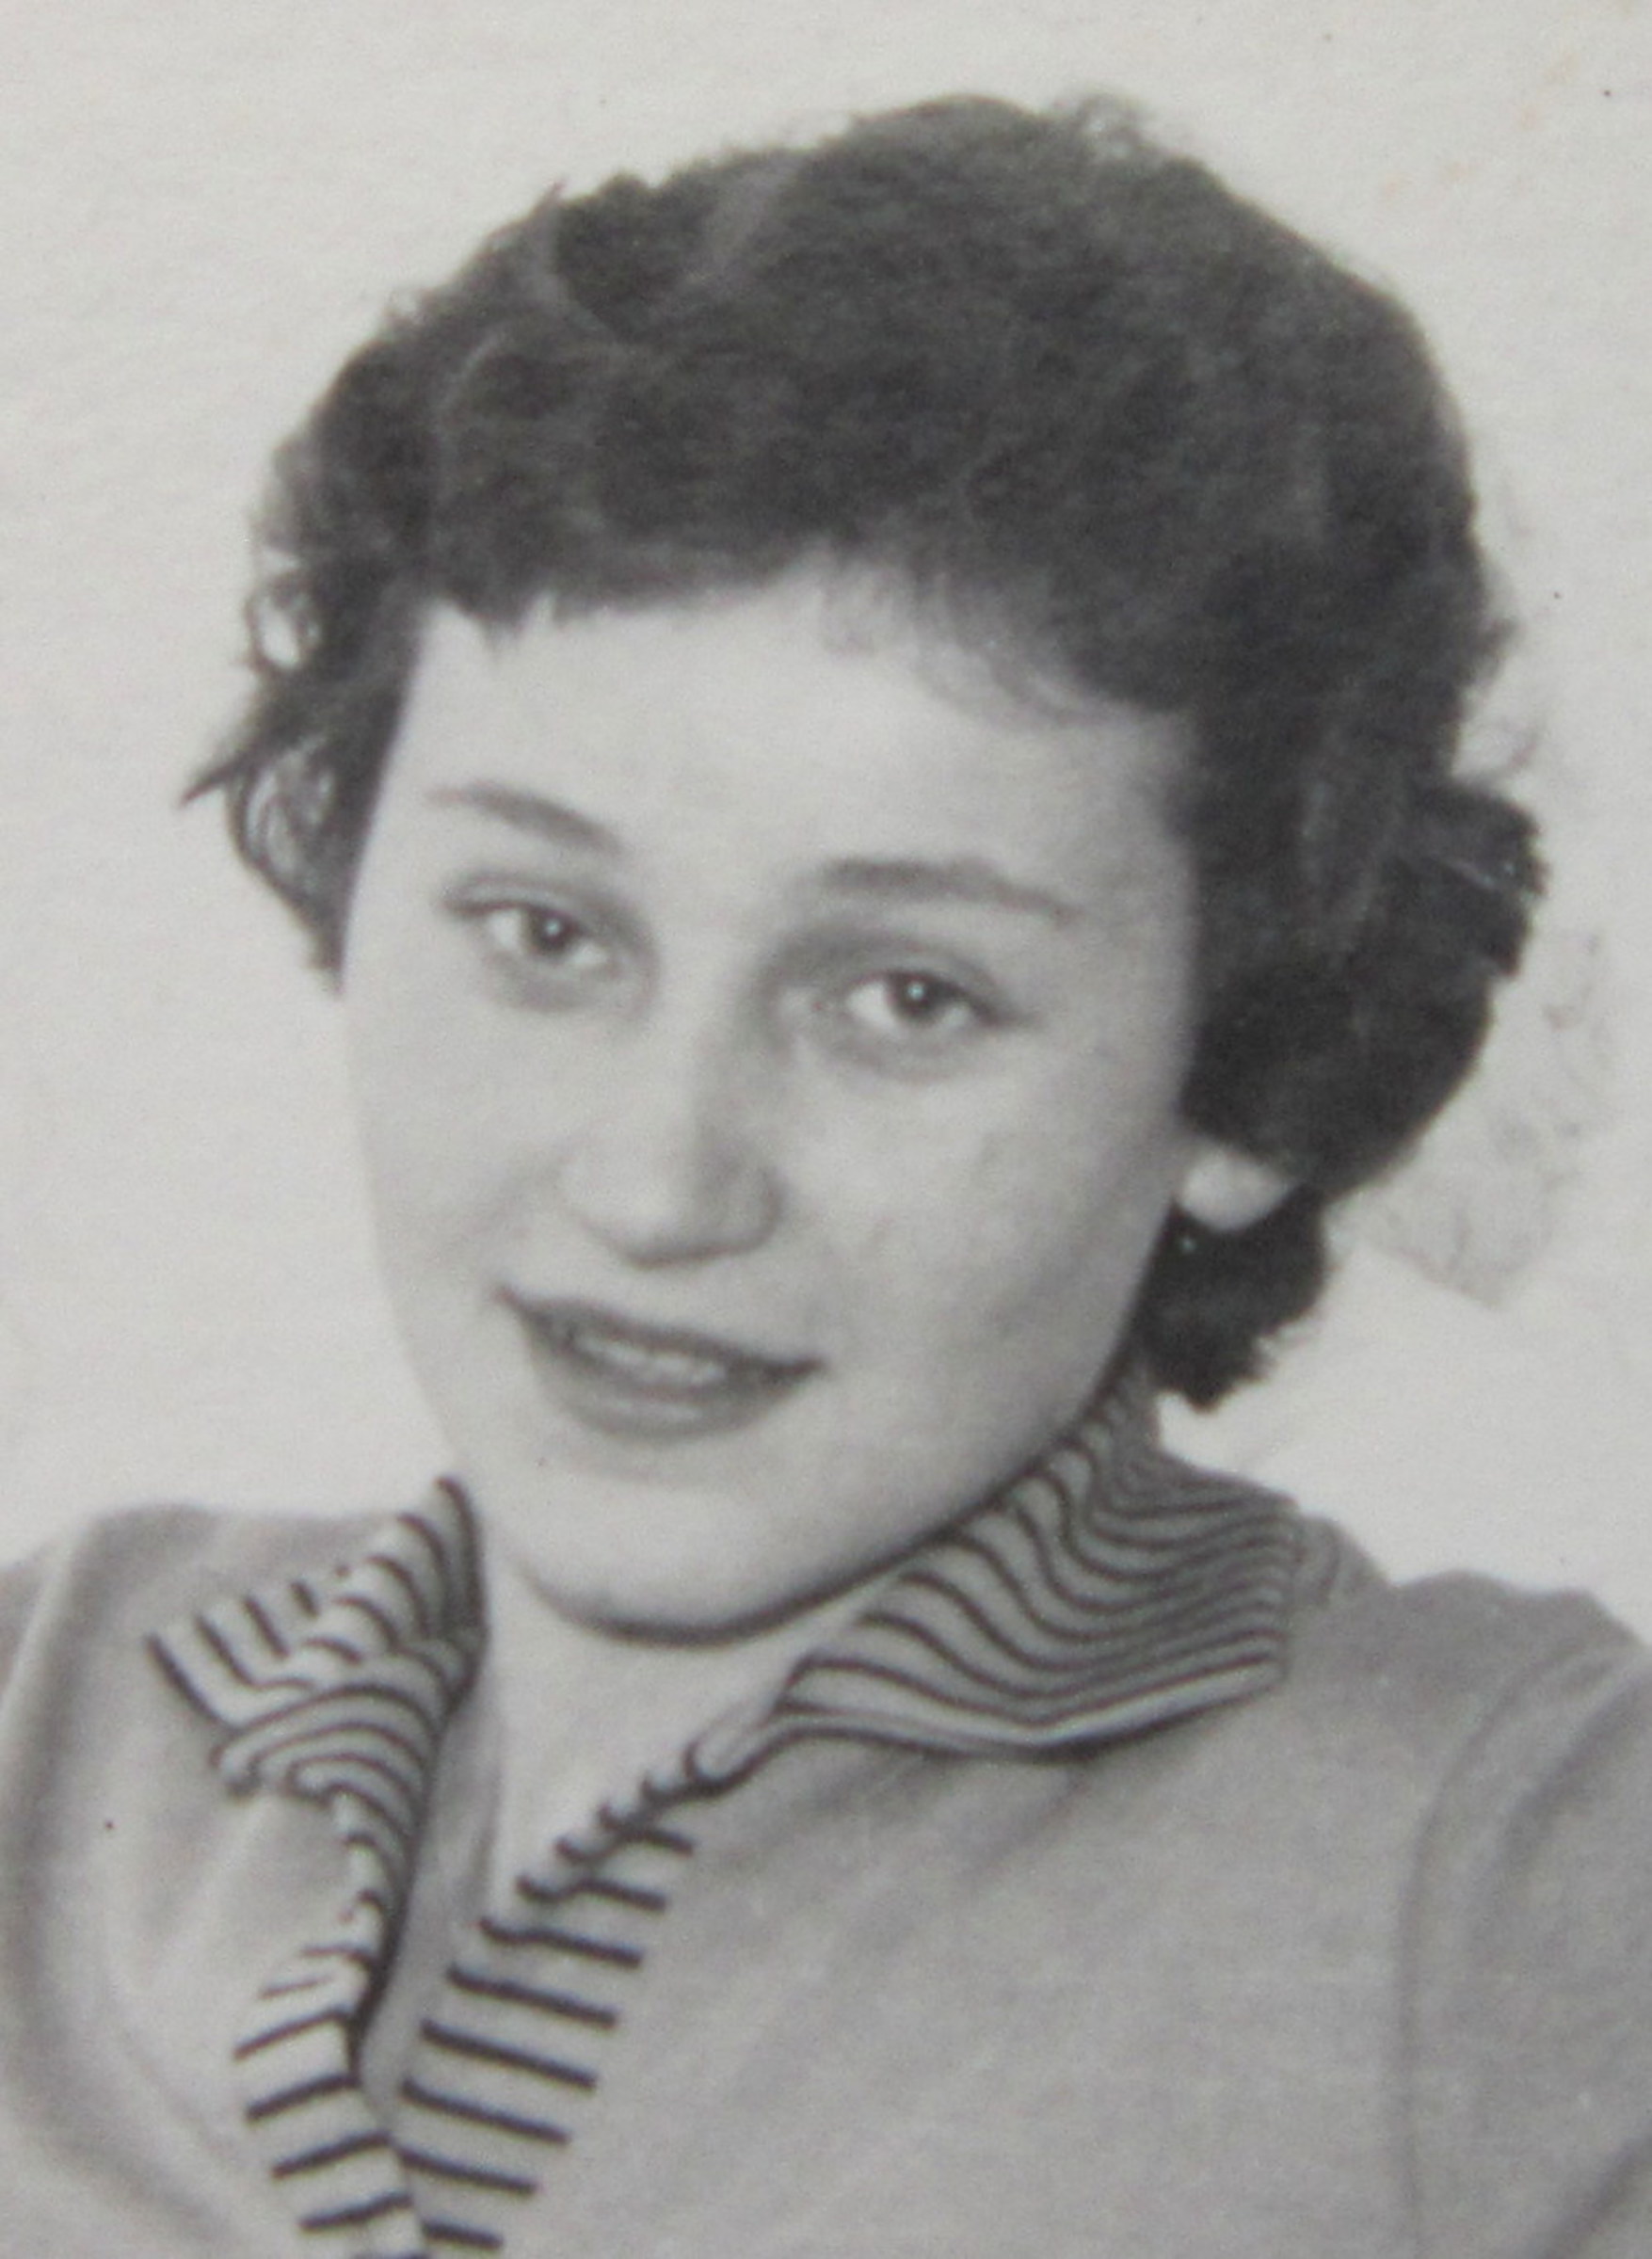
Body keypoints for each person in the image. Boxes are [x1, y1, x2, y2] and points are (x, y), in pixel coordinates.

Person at [0, 89, 1647, 2259]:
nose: (656, 1183)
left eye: (904, 997)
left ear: (1244, 1083)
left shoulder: (1526, 1863)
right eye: (545, 933)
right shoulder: (47, 1700)